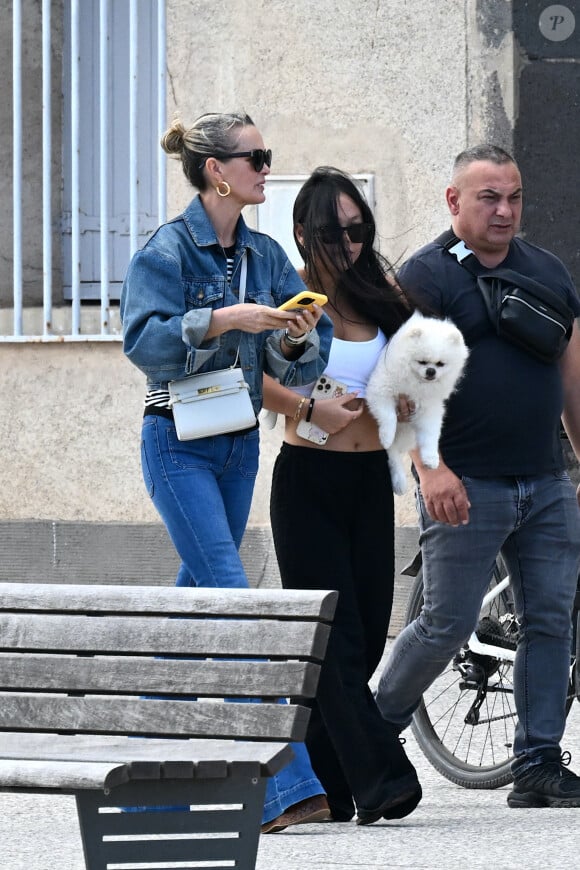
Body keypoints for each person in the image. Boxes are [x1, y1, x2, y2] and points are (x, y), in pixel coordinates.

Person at [120, 112, 334, 832]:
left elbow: (300, 356)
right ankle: (288, 787)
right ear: (216, 169)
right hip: (177, 442)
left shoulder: (267, 253)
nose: (266, 168)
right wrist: (221, 321)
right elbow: (143, 342)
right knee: (237, 602)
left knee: (196, 609)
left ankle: (141, 767)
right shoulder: (168, 250)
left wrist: (298, 337)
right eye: (256, 157)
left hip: (239, 442)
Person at [375, 144, 580, 808]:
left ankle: (538, 763)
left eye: (514, 196)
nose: (504, 210)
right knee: (446, 621)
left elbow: (571, 375)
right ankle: (371, 734)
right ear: (454, 201)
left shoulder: (546, 271)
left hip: (545, 481)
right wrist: (429, 469)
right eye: (489, 197)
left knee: (551, 620)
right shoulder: (427, 278)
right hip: (465, 483)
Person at [263, 166, 423, 825]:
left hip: (367, 486)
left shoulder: (383, 295)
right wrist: (308, 409)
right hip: (308, 485)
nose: (351, 243)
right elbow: (250, 378)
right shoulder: (287, 301)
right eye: (336, 231)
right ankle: (385, 777)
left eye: (359, 230)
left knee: (368, 634)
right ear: (303, 232)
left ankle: (326, 783)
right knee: (338, 639)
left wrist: (408, 403)